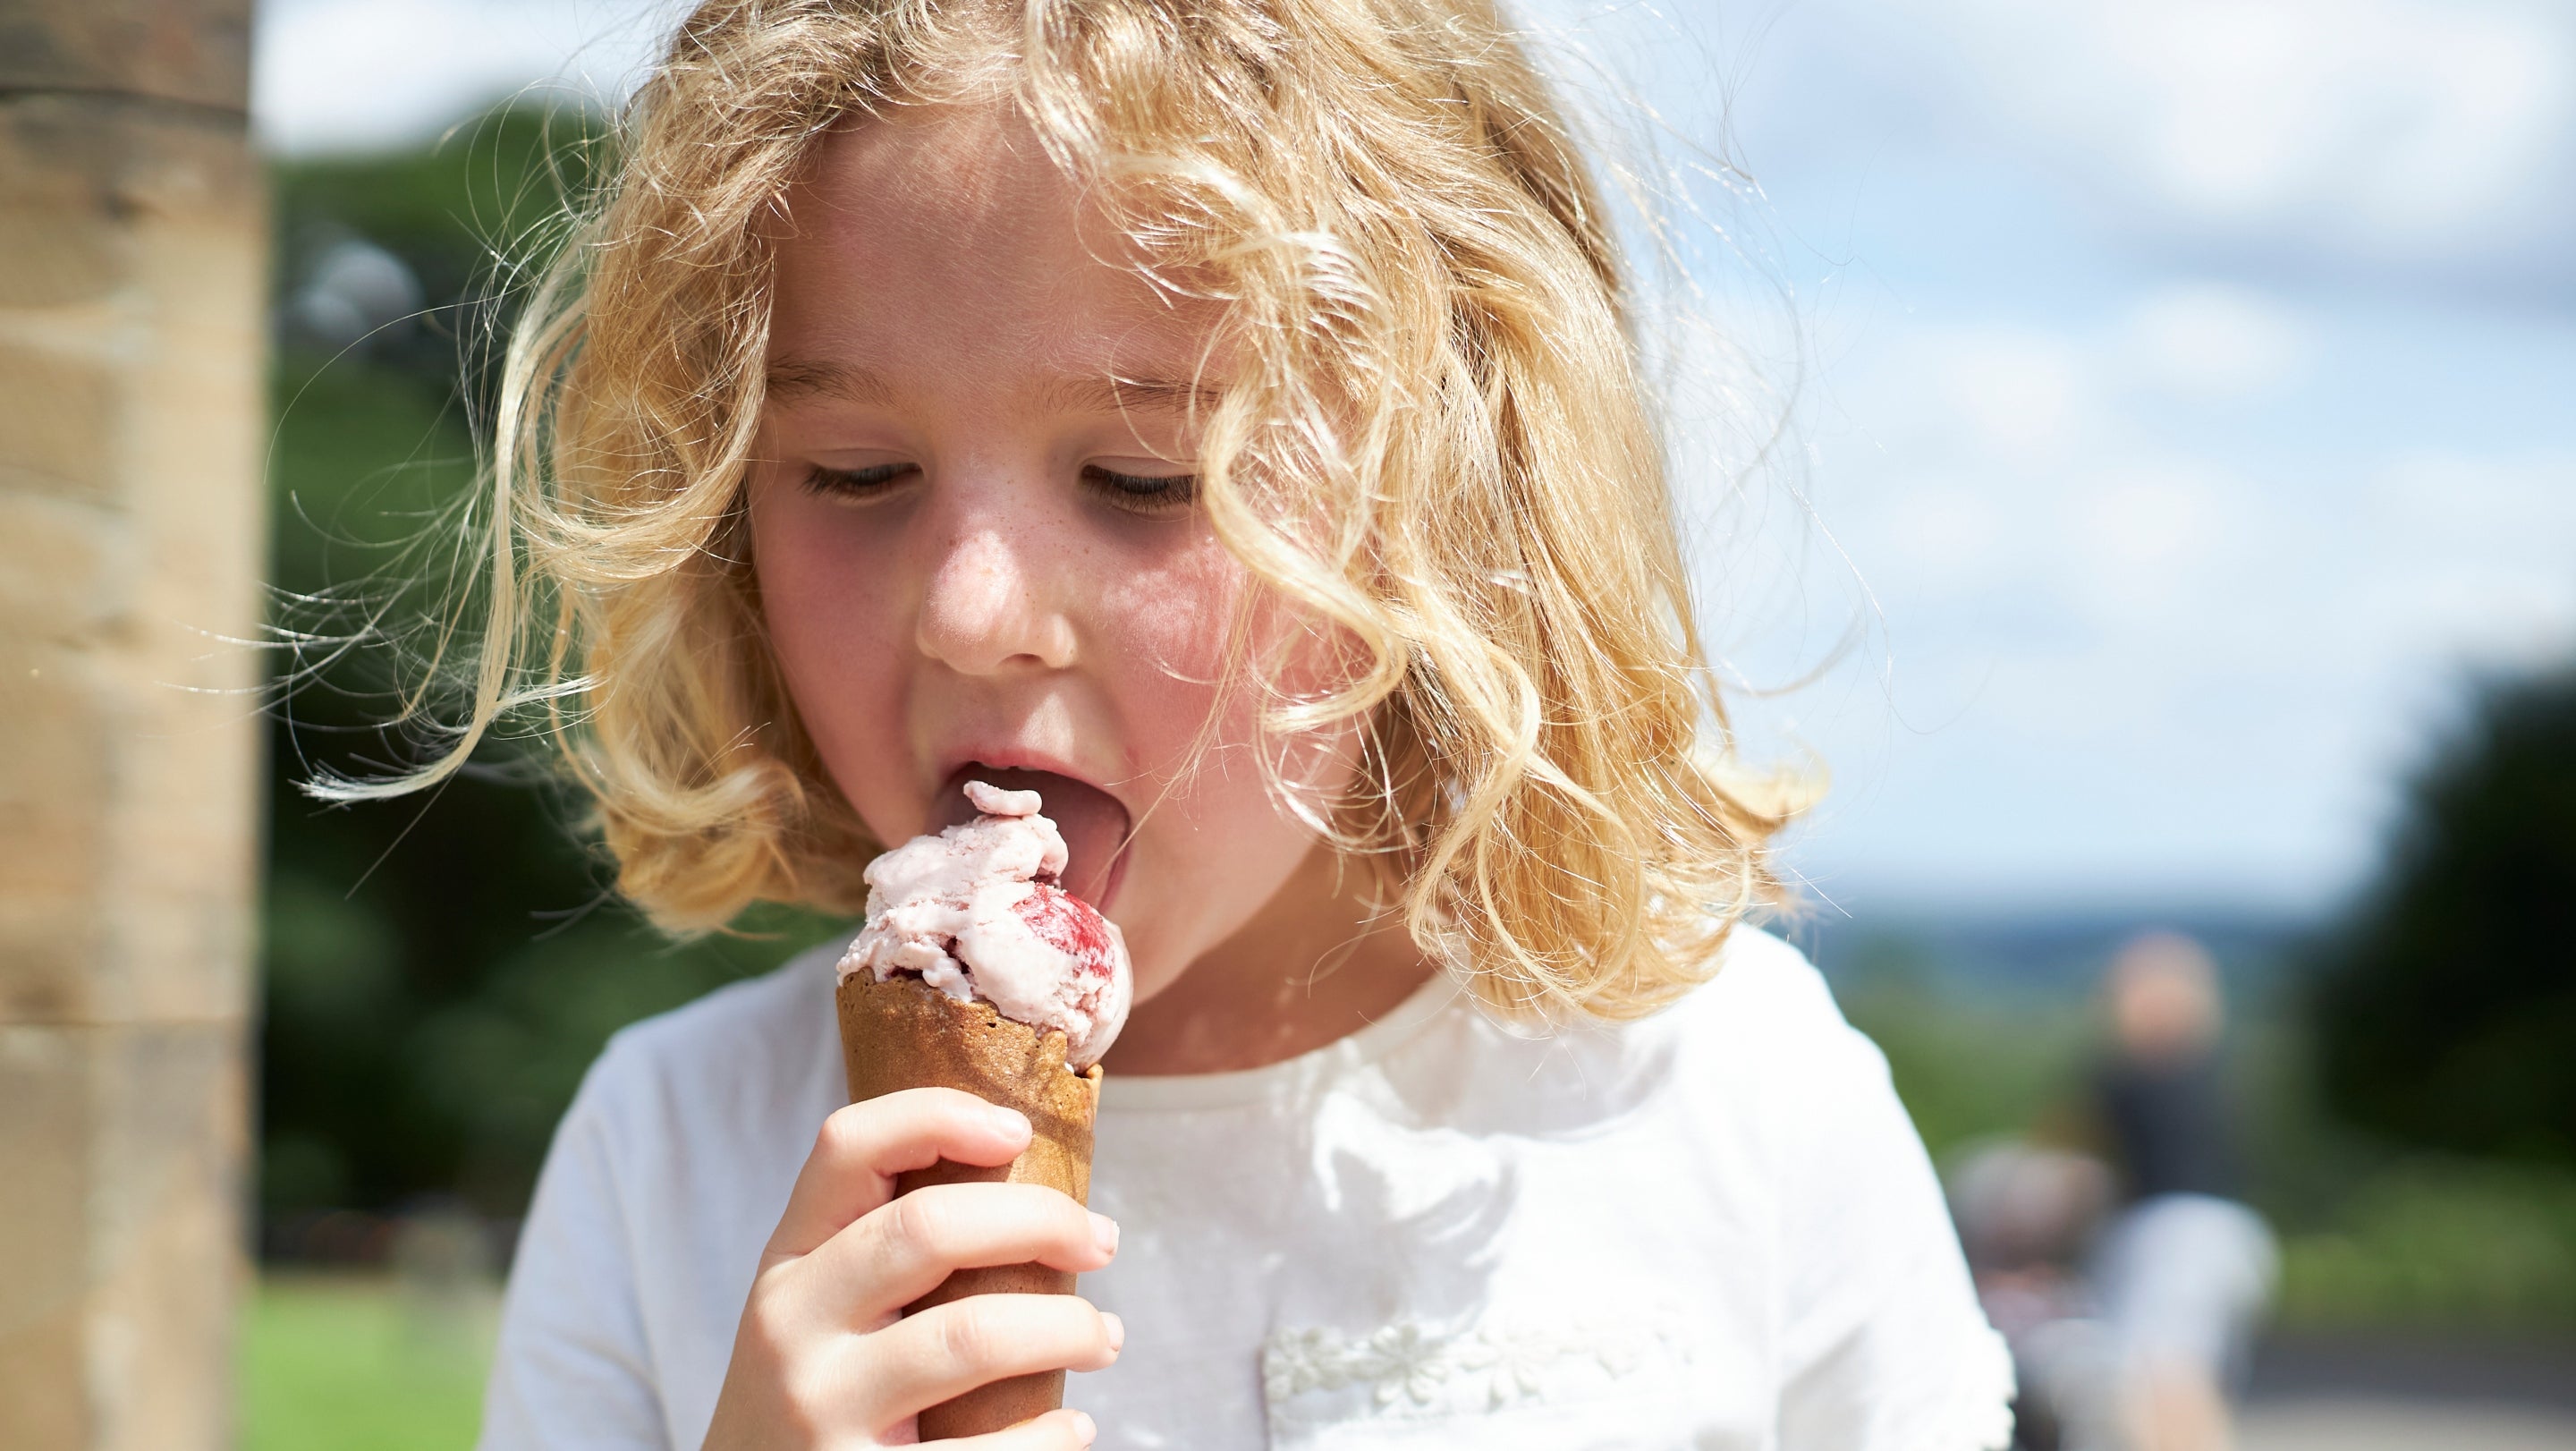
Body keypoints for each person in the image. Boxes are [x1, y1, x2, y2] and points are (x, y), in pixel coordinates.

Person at [360, 2, 2014, 1445]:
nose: (972, 607)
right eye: (858, 475)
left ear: (1449, 506)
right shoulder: (673, 1159)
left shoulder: (1730, 1103)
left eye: (1144, 481)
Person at [2087, 934, 2277, 1451]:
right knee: (2189, 1381)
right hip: (2234, 1237)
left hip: (2171, 1238)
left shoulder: (2124, 1076)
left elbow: (2071, 1155)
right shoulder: (2218, 1070)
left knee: (2161, 1381)